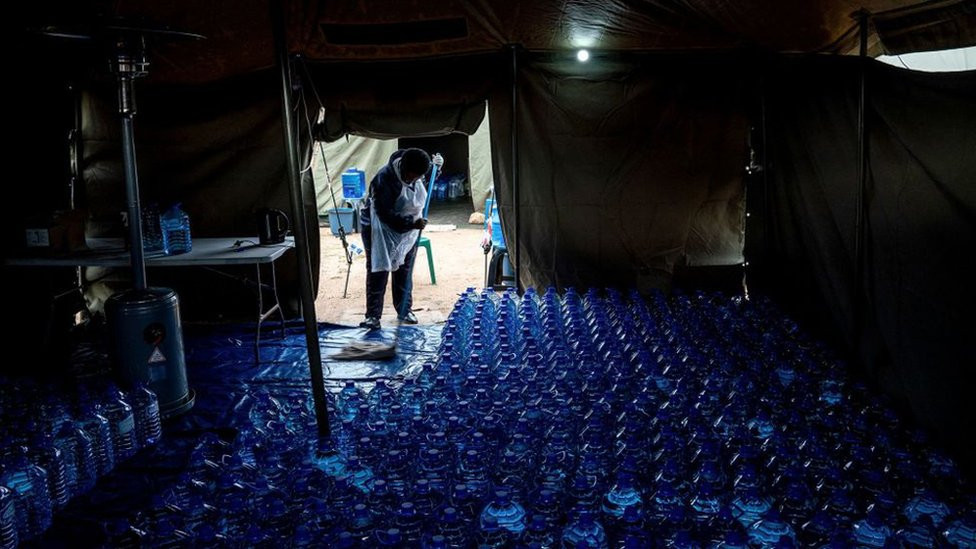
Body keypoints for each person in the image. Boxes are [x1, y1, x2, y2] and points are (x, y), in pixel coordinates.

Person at [358, 148, 431, 330]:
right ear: (403, 167)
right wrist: (410, 223)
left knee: (404, 270)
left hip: (408, 231)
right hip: (379, 229)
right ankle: (373, 316)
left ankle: (404, 309)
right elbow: (384, 214)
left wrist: (438, 169)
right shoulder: (384, 179)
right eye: (410, 176)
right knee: (379, 269)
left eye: (417, 177)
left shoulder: (418, 172)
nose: (413, 180)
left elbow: (426, 179)